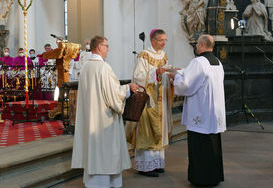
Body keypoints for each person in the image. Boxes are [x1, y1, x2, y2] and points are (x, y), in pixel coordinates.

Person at [71, 35, 139, 188]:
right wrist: (128, 87)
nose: (109, 49)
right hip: (104, 120)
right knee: (105, 154)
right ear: (100, 47)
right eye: (107, 46)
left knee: (94, 153)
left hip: (91, 119)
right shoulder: (104, 68)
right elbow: (113, 95)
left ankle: (94, 183)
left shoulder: (86, 67)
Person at [170, 34, 226, 186]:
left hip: (201, 113)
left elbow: (186, 85)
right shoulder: (217, 62)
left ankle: (201, 178)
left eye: (197, 44)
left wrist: (176, 77)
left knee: (200, 147)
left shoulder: (198, 62)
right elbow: (198, 77)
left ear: (202, 45)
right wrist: (183, 72)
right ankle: (214, 177)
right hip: (214, 114)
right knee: (212, 145)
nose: (195, 46)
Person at [126, 29, 174, 177]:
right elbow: (138, 77)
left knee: (160, 131)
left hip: (161, 99)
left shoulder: (163, 56)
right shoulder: (144, 56)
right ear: (153, 41)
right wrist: (156, 73)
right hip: (148, 99)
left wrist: (170, 76)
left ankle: (157, 163)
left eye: (165, 40)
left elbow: (163, 76)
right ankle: (145, 167)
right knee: (147, 130)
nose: (164, 43)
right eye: (161, 40)